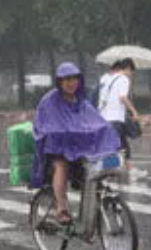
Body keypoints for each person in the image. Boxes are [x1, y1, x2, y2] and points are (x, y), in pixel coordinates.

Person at [31, 62, 120, 224]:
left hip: (79, 149)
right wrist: (61, 134)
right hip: (55, 149)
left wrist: (109, 132)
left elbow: (96, 122)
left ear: (79, 80)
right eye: (66, 79)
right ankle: (62, 209)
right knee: (61, 165)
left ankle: (88, 214)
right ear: (59, 82)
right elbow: (44, 126)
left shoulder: (82, 103)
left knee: (94, 170)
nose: (71, 83)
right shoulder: (49, 101)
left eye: (74, 78)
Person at [98, 58, 147, 179]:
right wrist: (134, 111)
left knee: (117, 145)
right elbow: (122, 98)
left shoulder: (106, 78)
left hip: (103, 118)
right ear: (128, 68)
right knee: (121, 147)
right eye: (131, 72)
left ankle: (118, 170)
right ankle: (127, 172)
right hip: (115, 119)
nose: (131, 74)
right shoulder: (124, 79)